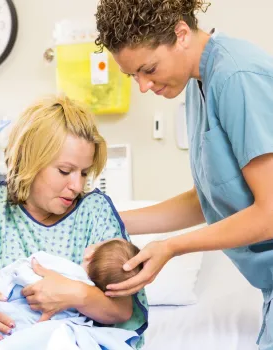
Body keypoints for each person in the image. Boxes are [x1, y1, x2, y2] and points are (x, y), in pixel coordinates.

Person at [94, 0, 273, 348]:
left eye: (148, 69)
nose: (143, 86)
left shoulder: (238, 77)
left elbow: (270, 213)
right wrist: (109, 217)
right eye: (133, 76)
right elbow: (207, 198)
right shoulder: (196, 85)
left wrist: (171, 248)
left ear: (181, 35)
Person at [0, 95, 148, 349]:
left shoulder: (94, 213)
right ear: (30, 160)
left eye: (84, 173)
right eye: (65, 171)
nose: (76, 185)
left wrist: (76, 294)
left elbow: (121, 312)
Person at [0, 240, 142, 349]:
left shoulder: (62, 267)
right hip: (43, 330)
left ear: (89, 256)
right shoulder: (94, 299)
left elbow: (23, 269)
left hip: (12, 320)